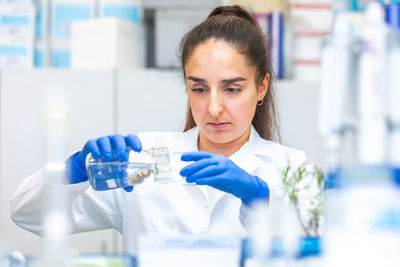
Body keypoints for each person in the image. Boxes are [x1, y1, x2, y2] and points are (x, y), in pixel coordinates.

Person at [11, 5, 315, 253]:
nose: (213, 108)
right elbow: (26, 212)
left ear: (261, 87)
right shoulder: (142, 160)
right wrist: (73, 170)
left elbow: (318, 244)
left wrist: (259, 198)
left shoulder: (293, 167)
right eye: (198, 88)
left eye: (232, 89)